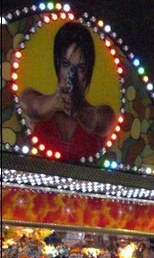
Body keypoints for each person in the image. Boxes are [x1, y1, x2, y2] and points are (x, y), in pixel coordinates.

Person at [19, 22, 115, 161]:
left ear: (88, 71)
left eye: (80, 68)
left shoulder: (101, 115)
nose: (72, 75)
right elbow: (31, 105)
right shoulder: (34, 101)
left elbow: (101, 120)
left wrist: (80, 110)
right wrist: (54, 102)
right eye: (66, 64)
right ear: (57, 64)